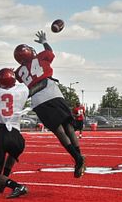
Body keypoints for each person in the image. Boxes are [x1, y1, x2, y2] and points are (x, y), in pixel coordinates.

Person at [13, 31, 85, 177]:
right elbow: (50, 53)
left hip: (39, 101)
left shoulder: (19, 71)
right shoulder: (40, 57)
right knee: (68, 127)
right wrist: (44, 41)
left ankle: (78, 159)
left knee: (59, 131)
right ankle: (79, 157)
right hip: (53, 93)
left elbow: (20, 79)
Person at [0, 67, 30, 199]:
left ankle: (15, 186)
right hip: (17, 136)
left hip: (2, 133)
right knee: (12, 153)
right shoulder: (23, 90)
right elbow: (21, 85)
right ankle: (4, 180)